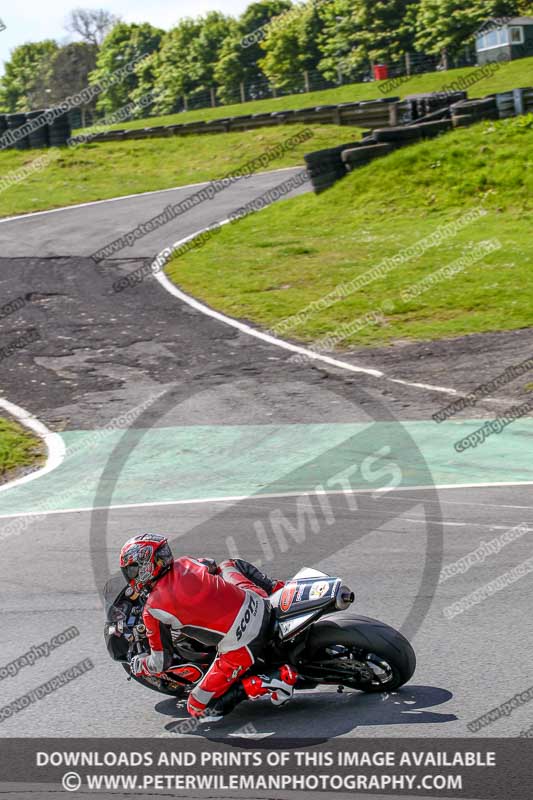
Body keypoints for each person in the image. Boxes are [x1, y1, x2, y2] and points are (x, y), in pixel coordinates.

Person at [119, 533, 298, 720]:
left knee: (198, 708)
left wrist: (140, 665)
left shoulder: (153, 609)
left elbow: (161, 662)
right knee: (228, 565)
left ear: (146, 567)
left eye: (132, 570)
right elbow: (211, 565)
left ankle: (274, 679)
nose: (130, 575)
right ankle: (280, 589)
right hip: (259, 602)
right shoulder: (186, 562)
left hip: (243, 643)